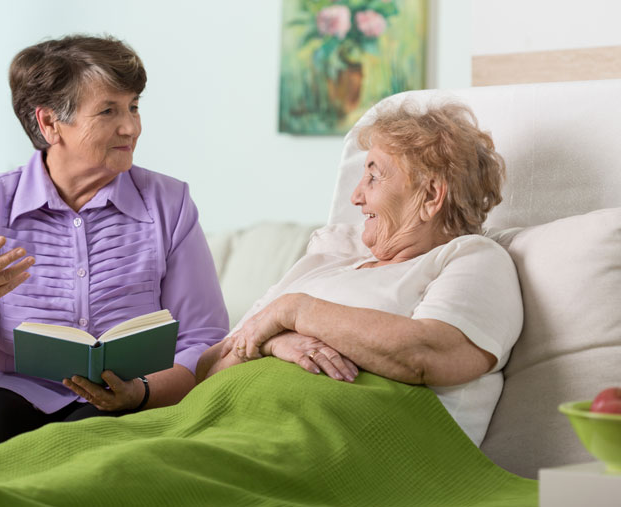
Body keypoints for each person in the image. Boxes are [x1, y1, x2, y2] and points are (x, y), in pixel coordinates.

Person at [0, 34, 229, 460]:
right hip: (12, 391)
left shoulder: (170, 203)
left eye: (133, 106)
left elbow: (203, 339)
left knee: (87, 450)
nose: (131, 126)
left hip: (131, 398)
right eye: (109, 110)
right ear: (49, 123)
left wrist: (140, 393)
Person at [196, 101, 523, 446]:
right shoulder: (328, 261)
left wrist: (295, 312)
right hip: (219, 426)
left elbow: (430, 353)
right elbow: (207, 368)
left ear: (430, 195)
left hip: (322, 449)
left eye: (373, 175)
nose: (355, 196)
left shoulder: (472, 258)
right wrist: (275, 341)